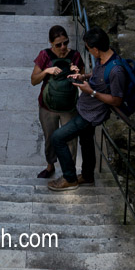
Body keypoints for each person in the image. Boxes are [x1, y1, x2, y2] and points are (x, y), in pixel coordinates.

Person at [47, 25, 128, 192]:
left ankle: (69, 178)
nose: (88, 51)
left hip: (90, 115)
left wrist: (92, 92)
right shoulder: (103, 58)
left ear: (96, 49)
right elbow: (98, 76)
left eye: (88, 48)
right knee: (86, 142)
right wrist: (83, 76)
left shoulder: (116, 71)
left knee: (57, 138)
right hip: (85, 109)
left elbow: (117, 100)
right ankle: (87, 175)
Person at [31, 25, 84, 179]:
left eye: (65, 43)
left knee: (71, 140)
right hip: (48, 107)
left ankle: (70, 171)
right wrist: (46, 71)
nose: (63, 47)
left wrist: (78, 74)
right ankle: (50, 166)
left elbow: (82, 80)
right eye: (58, 44)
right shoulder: (44, 56)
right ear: (51, 43)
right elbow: (33, 80)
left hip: (69, 107)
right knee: (50, 137)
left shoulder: (75, 56)